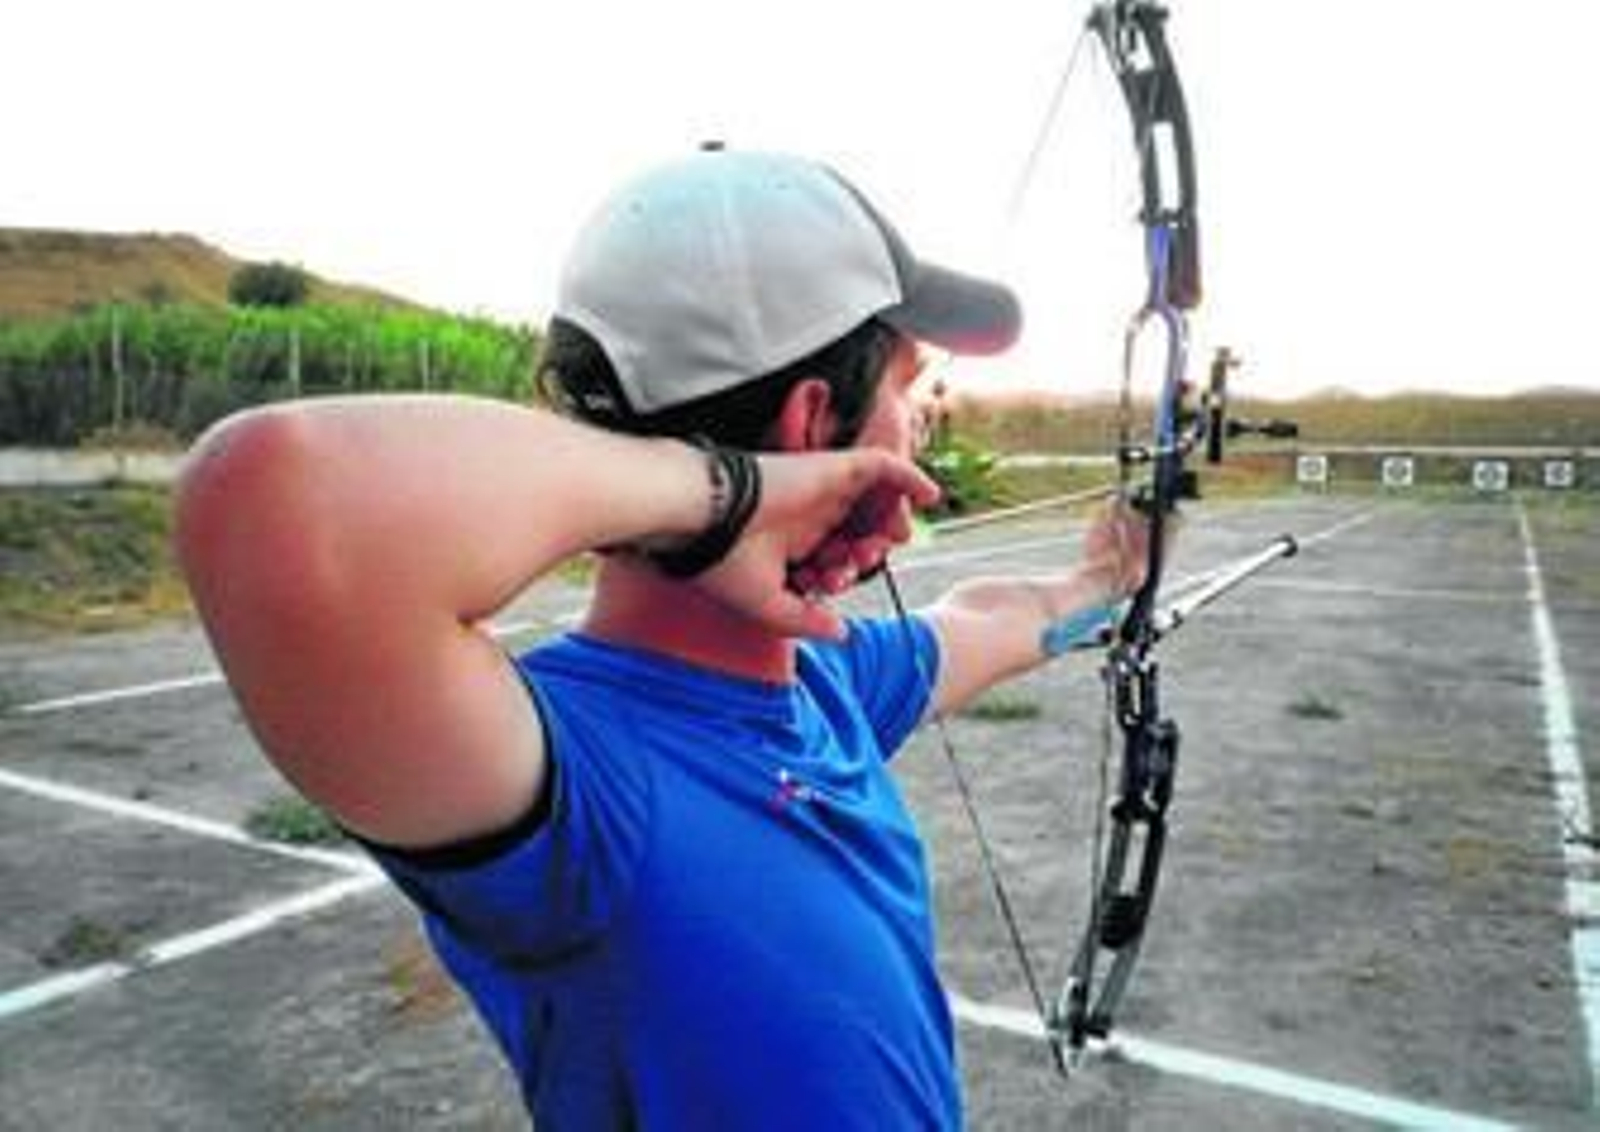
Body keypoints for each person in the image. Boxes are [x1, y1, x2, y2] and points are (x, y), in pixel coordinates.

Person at [174, 147, 1147, 1130]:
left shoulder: (827, 680)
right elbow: (266, 493)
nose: (919, 430)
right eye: (907, 388)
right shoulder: (574, 784)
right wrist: (723, 494)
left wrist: (1105, 582)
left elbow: (990, 620)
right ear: (816, 422)